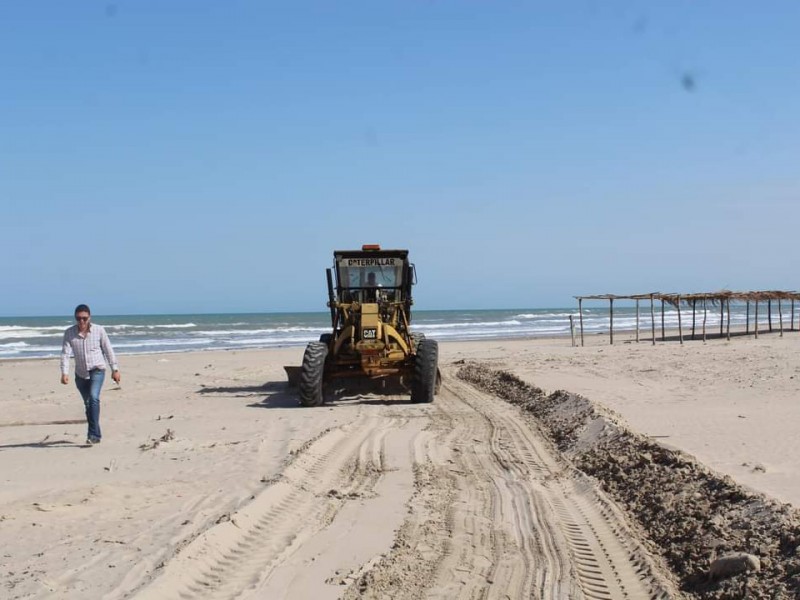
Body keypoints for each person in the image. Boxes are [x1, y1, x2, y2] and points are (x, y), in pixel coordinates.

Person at [60, 304, 121, 446]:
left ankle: (92, 435)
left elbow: (108, 350)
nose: (81, 321)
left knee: (93, 398)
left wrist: (115, 369)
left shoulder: (99, 331)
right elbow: (65, 354)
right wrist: (64, 373)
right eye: (78, 318)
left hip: (97, 369)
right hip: (80, 373)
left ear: (89, 317)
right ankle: (96, 434)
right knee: (88, 404)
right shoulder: (69, 333)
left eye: (84, 318)